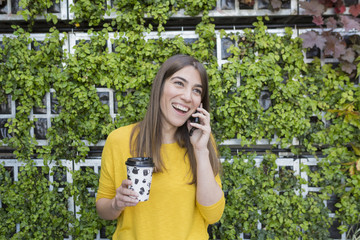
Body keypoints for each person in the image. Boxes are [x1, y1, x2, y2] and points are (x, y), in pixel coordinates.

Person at [96, 54, 225, 240]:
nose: (188, 97)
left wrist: (200, 150)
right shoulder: (119, 140)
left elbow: (213, 215)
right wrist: (117, 204)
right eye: (179, 83)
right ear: (160, 86)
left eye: (197, 91)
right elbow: (102, 208)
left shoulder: (202, 143)